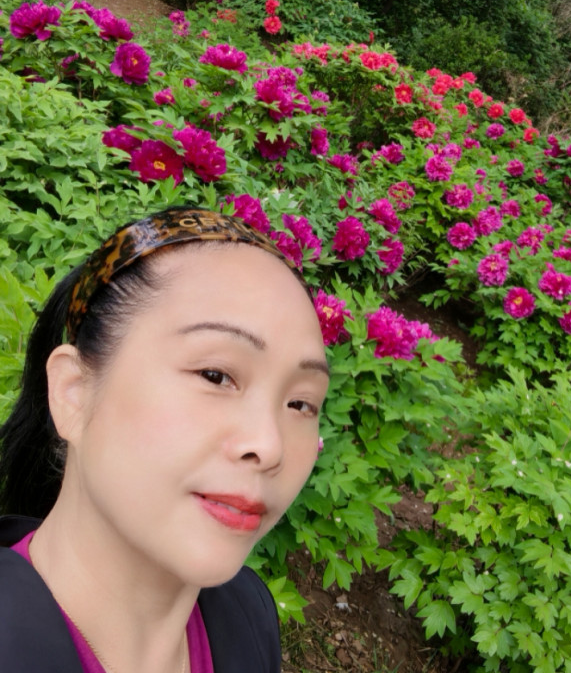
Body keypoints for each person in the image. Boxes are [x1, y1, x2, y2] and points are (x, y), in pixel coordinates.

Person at [0, 207, 330, 672]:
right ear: (73, 394)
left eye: (301, 404)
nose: (270, 445)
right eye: (215, 375)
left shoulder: (250, 617)